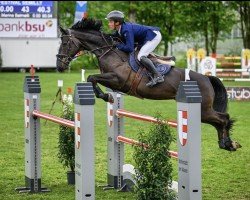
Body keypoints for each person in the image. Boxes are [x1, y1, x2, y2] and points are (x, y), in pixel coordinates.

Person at [106, 10, 164, 87]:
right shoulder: (120, 29)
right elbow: (114, 36)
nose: (109, 24)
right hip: (145, 38)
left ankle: (158, 76)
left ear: (117, 23)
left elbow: (130, 48)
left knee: (141, 56)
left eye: (110, 22)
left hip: (153, 36)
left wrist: (117, 45)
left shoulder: (126, 30)